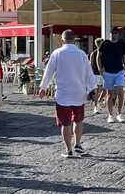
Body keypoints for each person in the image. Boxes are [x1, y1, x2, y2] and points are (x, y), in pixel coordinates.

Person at [39, 30, 97, 158]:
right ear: (74, 39)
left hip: (63, 94)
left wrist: (43, 87)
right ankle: (78, 144)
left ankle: (69, 150)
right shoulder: (81, 54)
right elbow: (89, 73)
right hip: (79, 93)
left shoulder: (57, 53)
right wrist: (93, 88)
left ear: (62, 39)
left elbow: (49, 71)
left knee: (65, 123)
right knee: (79, 119)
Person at [97, 28, 125, 123]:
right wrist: (100, 69)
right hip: (107, 72)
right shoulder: (105, 44)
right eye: (112, 33)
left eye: (116, 34)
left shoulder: (121, 44)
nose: (114, 35)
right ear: (110, 34)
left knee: (120, 92)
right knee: (109, 94)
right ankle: (110, 115)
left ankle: (119, 114)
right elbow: (98, 56)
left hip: (119, 71)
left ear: (118, 35)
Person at [89, 38, 105, 114]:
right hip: (96, 74)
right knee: (97, 91)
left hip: (105, 74)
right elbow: (91, 65)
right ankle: (96, 107)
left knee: (105, 90)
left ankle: (98, 101)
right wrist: (91, 75)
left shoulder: (106, 53)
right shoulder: (94, 53)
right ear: (98, 44)